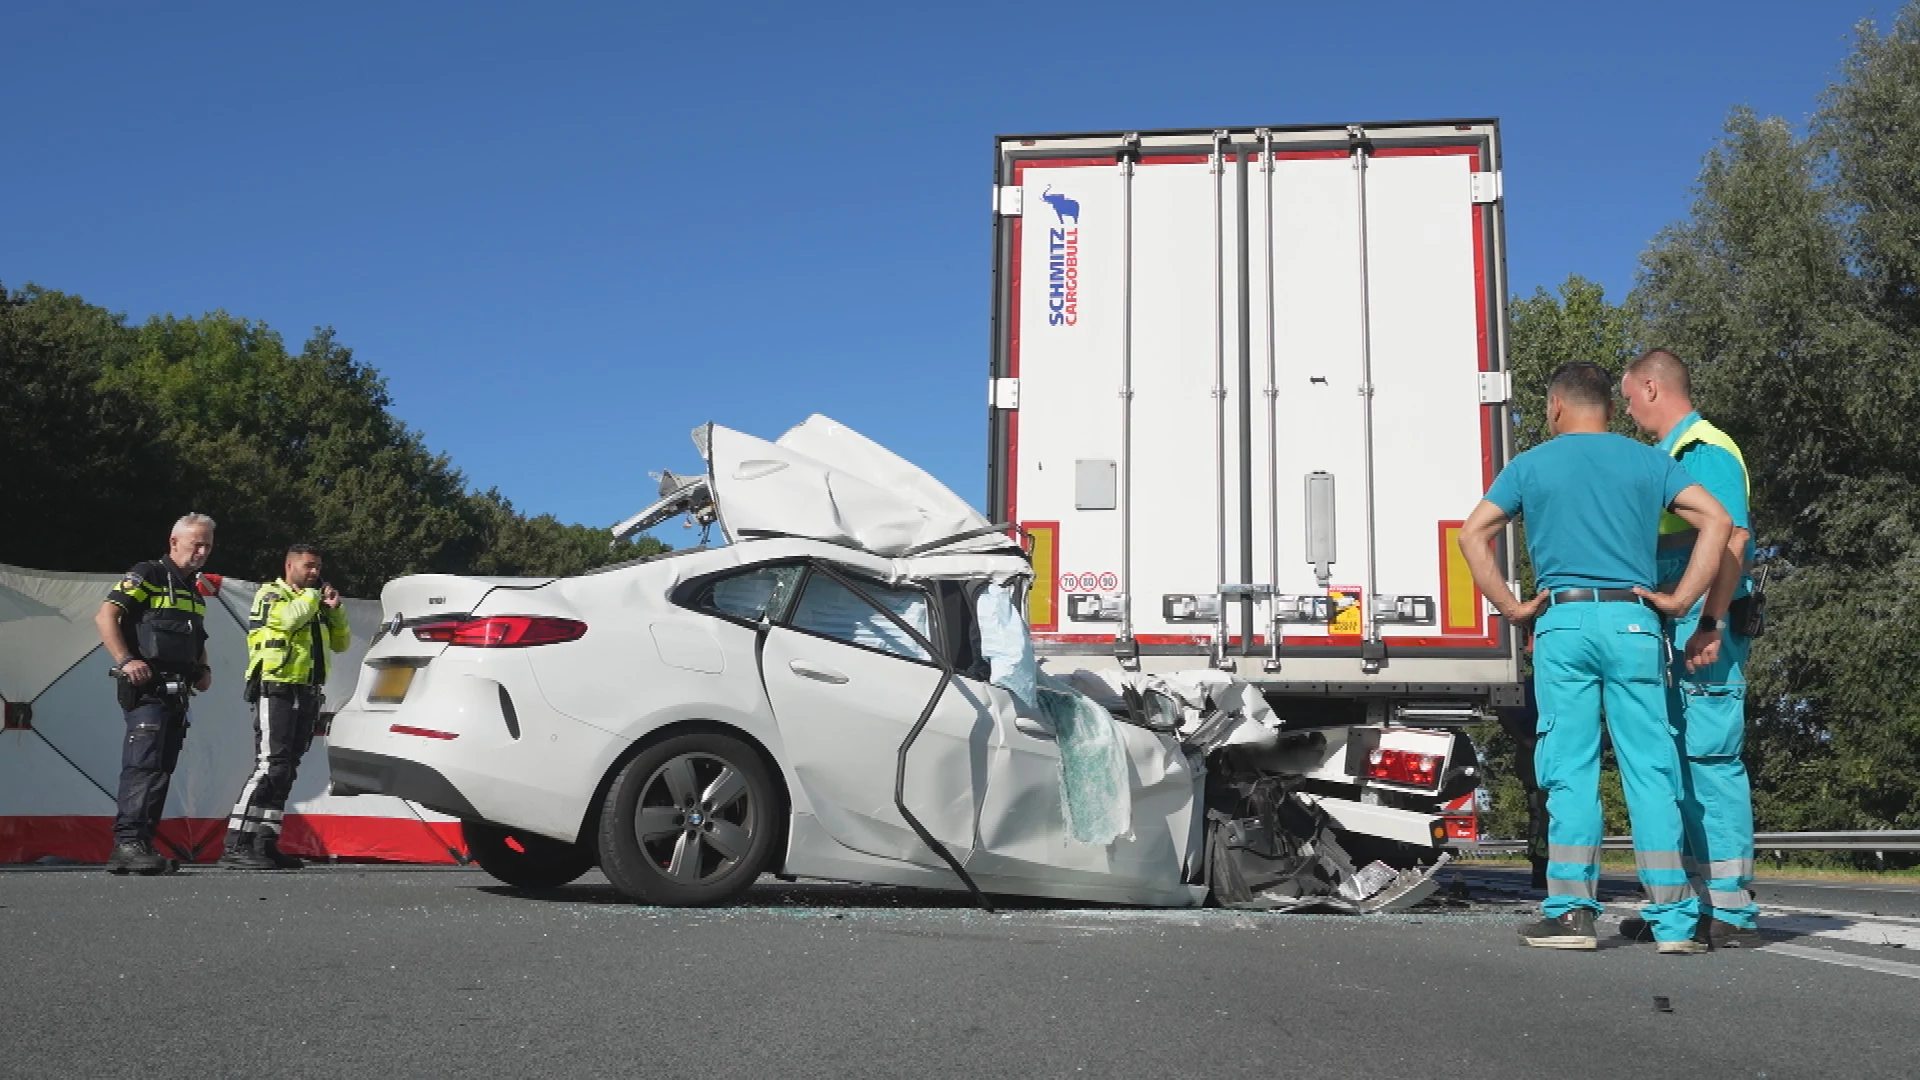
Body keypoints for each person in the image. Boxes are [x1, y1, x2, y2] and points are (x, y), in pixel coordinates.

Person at [1457, 362, 1732, 952]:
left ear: (1556, 406)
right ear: (1609, 407)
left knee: (1570, 768)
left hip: (1566, 622)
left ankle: (1572, 916)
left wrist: (1511, 607)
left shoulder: (1531, 465)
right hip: (1636, 621)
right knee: (1650, 769)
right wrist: (1682, 600)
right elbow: (1718, 519)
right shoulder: (1651, 461)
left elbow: (1471, 535)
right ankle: (1676, 922)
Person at [1619, 348, 1762, 948]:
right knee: (1675, 765)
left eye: (1628, 398)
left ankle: (1731, 912)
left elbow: (1731, 534)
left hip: (1703, 629)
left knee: (1708, 759)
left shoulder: (1704, 449)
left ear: (1652, 388)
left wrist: (1711, 620)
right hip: (1680, 625)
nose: (1628, 411)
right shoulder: (1665, 458)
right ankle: (1695, 907)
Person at [94, 513, 217, 875]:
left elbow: (198, 637)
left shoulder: (195, 590)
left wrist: (204, 669)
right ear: (173, 542)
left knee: (161, 768)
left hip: (178, 692)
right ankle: (127, 844)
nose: (202, 551)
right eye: (196, 543)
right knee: (144, 765)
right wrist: (126, 660)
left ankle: (141, 844)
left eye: (208, 544)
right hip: (148, 688)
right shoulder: (147, 574)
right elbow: (106, 616)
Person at [220, 543, 350, 871]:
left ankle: (265, 843)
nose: (315, 573)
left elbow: (341, 643)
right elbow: (288, 621)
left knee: (287, 769)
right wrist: (313, 597)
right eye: (308, 566)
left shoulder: (315, 603)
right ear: (289, 565)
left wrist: (334, 610)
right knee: (270, 765)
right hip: (276, 689)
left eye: (318, 567)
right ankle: (236, 844)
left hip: (306, 691)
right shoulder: (271, 595)